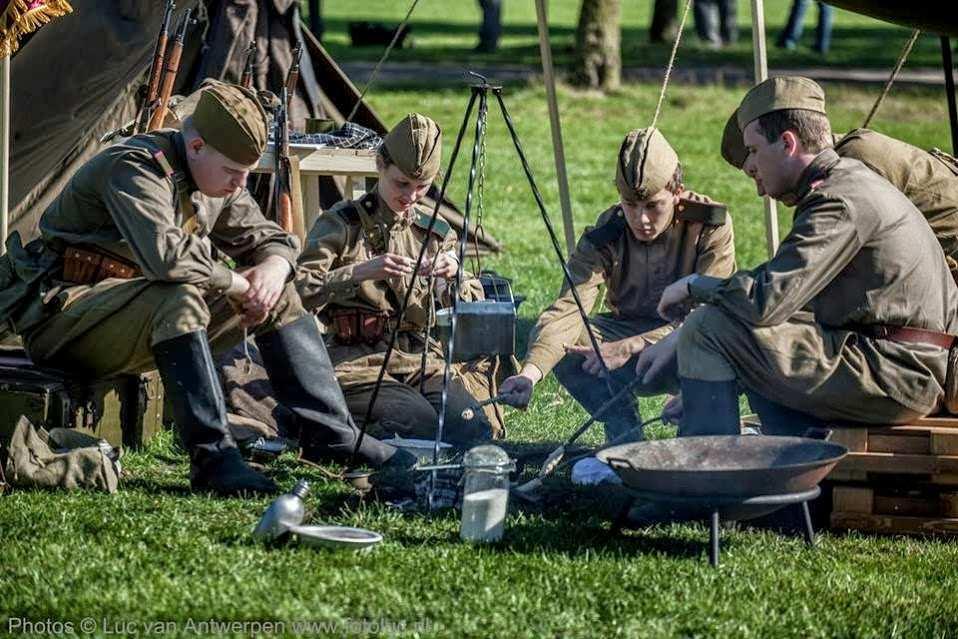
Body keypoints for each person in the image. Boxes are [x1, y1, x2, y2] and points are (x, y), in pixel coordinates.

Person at [0, 81, 411, 496]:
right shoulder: (135, 167)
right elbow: (167, 257)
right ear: (195, 146)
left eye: (246, 175)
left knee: (278, 292)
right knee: (178, 296)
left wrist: (272, 269)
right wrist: (235, 281)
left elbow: (273, 238)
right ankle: (215, 459)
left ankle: (331, 436)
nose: (238, 185)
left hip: (131, 318)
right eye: (233, 173)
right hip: (65, 321)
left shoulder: (216, 177)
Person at [637, 76, 958, 438]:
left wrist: (696, 286)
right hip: (902, 363)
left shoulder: (838, 199)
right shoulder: (848, 182)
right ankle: (785, 468)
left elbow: (766, 302)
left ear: (787, 143)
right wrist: (719, 376)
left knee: (709, 328)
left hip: (900, 372)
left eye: (755, 155)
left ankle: (704, 480)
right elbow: (793, 301)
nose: (757, 184)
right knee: (725, 330)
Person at [498, 127, 736, 442]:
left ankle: (702, 434)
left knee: (715, 337)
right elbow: (568, 308)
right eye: (630, 204)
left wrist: (632, 346)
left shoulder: (709, 226)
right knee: (570, 343)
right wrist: (529, 375)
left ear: (676, 193)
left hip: (690, 342)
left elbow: (713, 315)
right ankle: (625, 434)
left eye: (653, 205)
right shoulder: (607, 232)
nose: (641, 218)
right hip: (626, 335)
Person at [296, 113, 495, 446]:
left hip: (419, 357)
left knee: (470, 425)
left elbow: (473, 302)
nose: (411, 196)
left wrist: (454, 277)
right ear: (380, 165)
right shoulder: (341, 224)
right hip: (357, 359)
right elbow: (298, 289)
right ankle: (335, 425)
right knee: (417, 422)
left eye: (422, 187)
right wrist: (360, 272)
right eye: (402, 184)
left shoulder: (435, 233)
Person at [721, 109, 958, 282]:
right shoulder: (841, 160)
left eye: (756, 172)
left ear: (786, 144)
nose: (761, 190)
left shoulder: (854, 166)